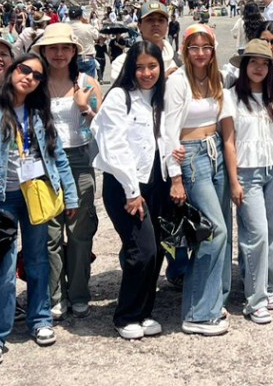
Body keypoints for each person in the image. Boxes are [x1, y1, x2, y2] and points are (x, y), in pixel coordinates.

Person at [0, 54, 80, 365]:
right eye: (24, 70)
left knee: (38, 261)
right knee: (1, 269)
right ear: (14, 71)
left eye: (37, 75)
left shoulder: (39, 112)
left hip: (36, 194)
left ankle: (40, 318)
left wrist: (70, 195)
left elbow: (58, 156)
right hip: (0, 200)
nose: (29, 77)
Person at [92, 40, 176, 339]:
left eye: (152, 66)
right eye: (139, 67)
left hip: (157, 182)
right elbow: (113, 147)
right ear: (130, 68)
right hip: (126, 185)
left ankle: (144, 311)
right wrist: (131, 191)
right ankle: (125, 314)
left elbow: (167, 139)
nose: (146, 73)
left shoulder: (161, 97)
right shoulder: (119, 97)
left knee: (156, 252)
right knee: (141, 250)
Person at [163, 23, 237, 336]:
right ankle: (196, 311)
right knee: (213, 231)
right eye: (194, 47)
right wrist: (175, 177)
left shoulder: (216, 79)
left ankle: (213, 298)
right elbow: (168, 131)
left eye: (206, 47)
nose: (201, 53)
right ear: (185, 51)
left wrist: (234, 178)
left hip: (215, 150)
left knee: (222, 228)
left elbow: (227, 125)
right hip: (191, 155)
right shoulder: (178, 81)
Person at [35, 23, 103, 320]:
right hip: (43, 162)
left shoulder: (87, 82)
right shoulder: (34, 83)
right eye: (53, 48)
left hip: (79, 160)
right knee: (49, 233)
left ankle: (78, 292)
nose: (59, 53)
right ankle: (54, 294)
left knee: (79, 231)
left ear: (75, 51)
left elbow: (102, 126)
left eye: (65, 48)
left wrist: (86, 108)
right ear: (44, 51)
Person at [229, 39, 273, 324]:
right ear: (244, 66)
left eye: (264, 63)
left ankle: (265, 288)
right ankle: (253, 300)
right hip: (248, 171)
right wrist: (234, 180)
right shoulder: (230, 97)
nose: (258, 67)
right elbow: (229, 142)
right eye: (253, 62)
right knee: (256, 234)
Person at [69, 7, 101, 79]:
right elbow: (96, 36)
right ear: (80, 16)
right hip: (87, 57)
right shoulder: (87, 27)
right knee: (88, 85)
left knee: (72, 84)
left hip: (71, 58)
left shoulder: (65, 27)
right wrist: (88, 23)